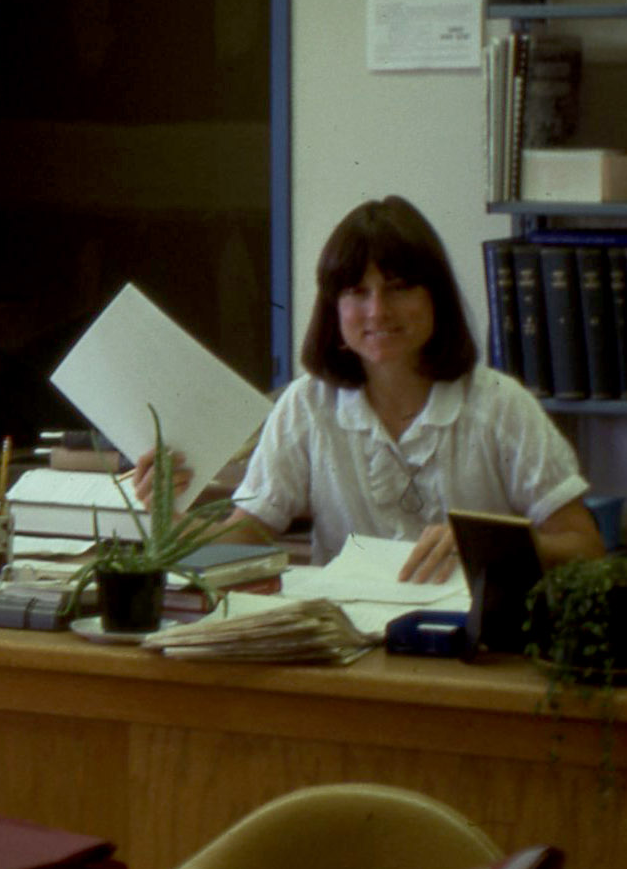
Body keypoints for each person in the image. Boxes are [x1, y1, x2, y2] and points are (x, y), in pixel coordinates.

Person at [138, 196, 603, 583]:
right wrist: (169, 519)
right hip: (348, 640)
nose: (378, 311)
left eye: (398, 288)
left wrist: (486, 544)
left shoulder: (501, 406)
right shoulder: (306, 405)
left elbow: (585, 547)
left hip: (477, 642)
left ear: (436, 298)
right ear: (334, 309)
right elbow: (248, 535)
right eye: (357, 292)